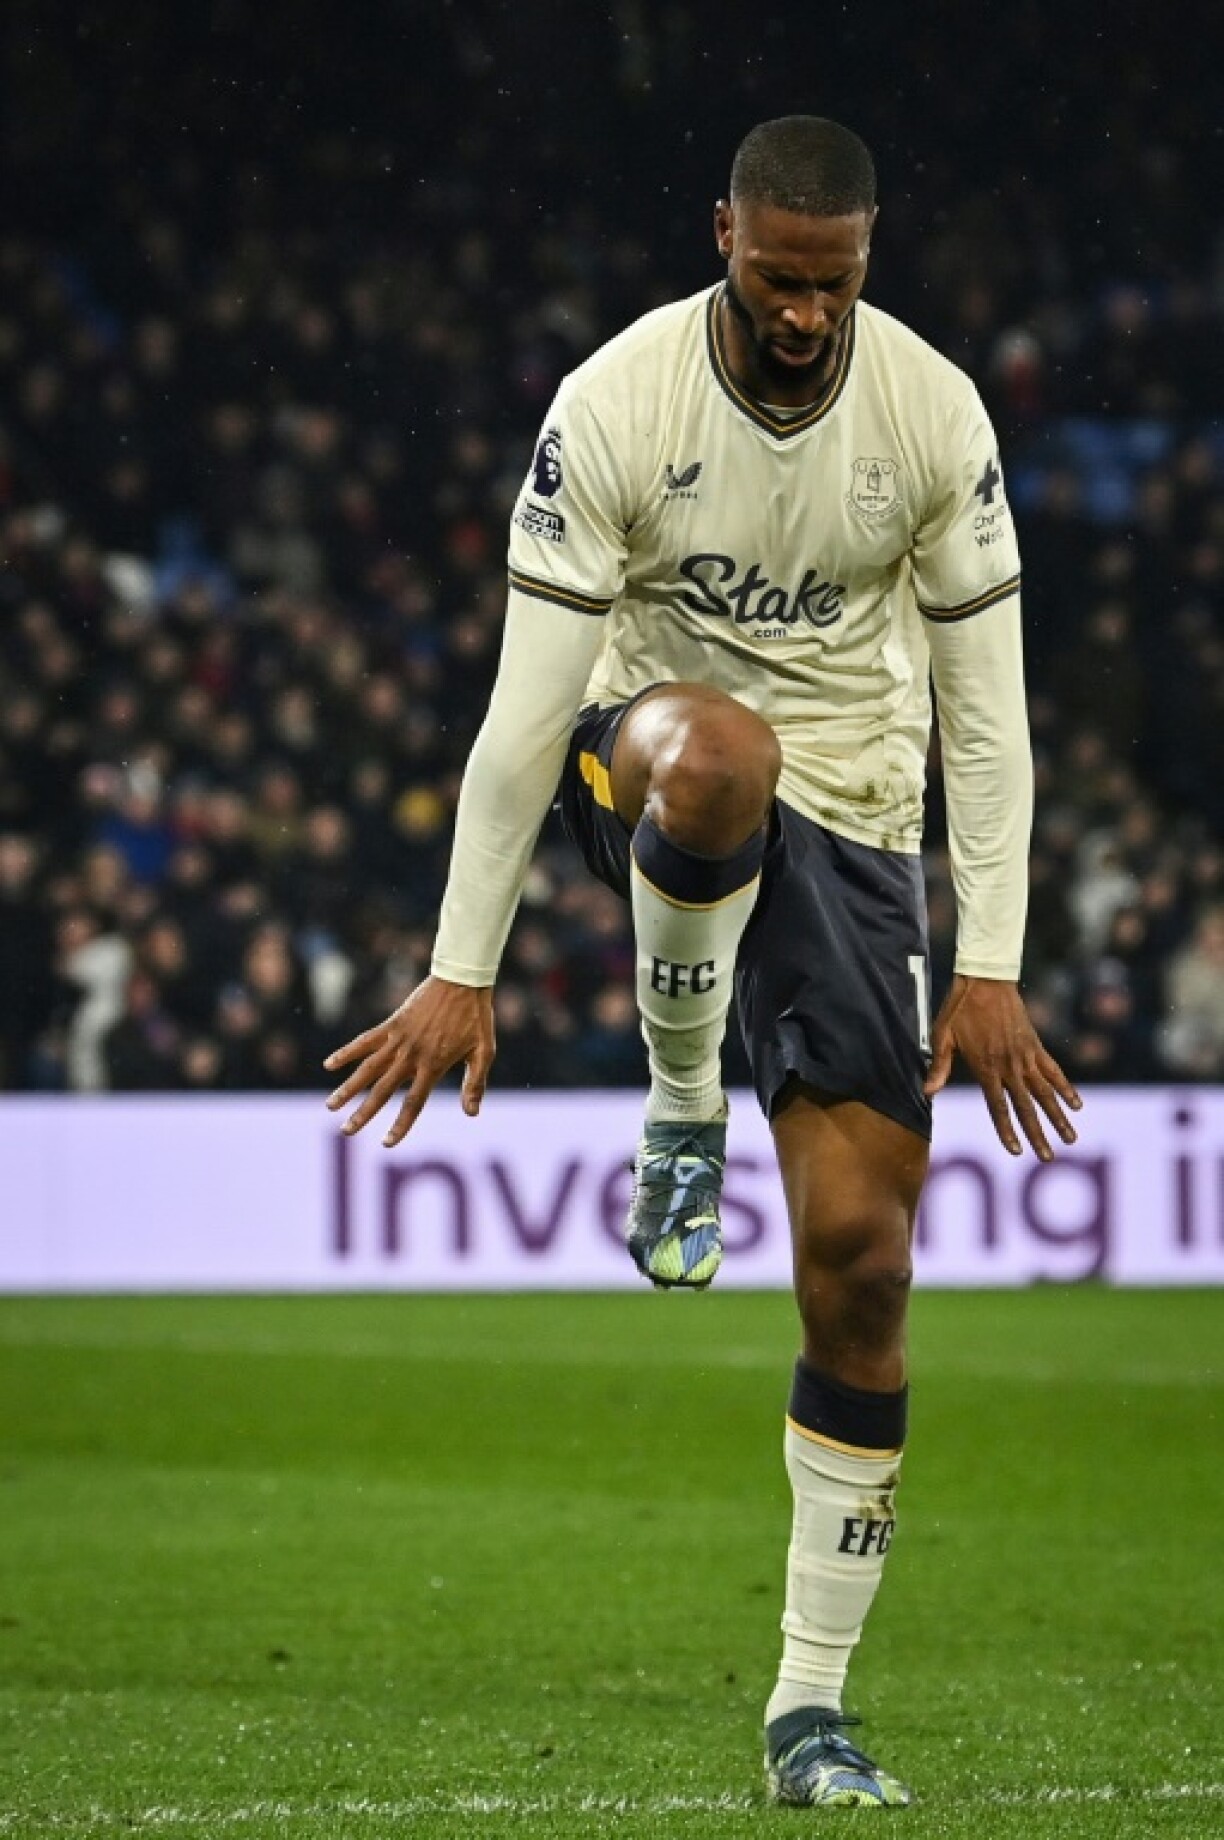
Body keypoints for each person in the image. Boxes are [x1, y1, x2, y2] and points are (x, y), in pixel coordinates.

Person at [325, 116, 1082, 1809]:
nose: (806, 314)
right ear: (722, 236)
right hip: (650, 762)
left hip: (864, 823)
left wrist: (993, 959)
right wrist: (465, 965)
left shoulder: (932, 414)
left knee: (863, 1265)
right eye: (777, 276)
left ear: (868, 258)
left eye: (837, 282)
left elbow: (992, 711)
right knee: (721, 753)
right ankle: (684, 1101)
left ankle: (810, 1709)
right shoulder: (618, 403)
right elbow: (526, 722)